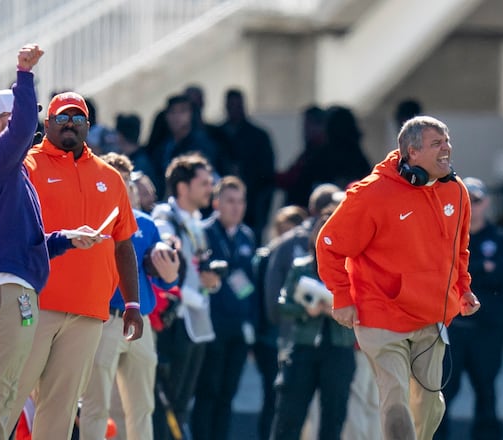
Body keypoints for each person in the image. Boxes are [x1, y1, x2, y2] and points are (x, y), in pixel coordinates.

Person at [315, 116, 481, 440]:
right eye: (437, 143)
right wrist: (343, 297)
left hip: (431, 316)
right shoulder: (371, 194)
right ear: (412, 154)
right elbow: (328, 245)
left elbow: (458, 250)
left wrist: (463, 289)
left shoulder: (457, 192)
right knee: (396, 401)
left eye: (447, 141)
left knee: (430, 403)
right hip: (380, 315)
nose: (447, 148)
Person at [0, 44, 95, 439]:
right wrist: (24, 74)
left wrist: (63, 240)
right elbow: (23, 129)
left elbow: (26, 240)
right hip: (4, 291)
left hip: (15, 290)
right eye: (16, 116)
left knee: (5, 394)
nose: (32, 125)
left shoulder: (11, 171)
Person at [5, 90, 143, 439]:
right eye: (62, 118)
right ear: (47, 124)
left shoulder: (110, 177)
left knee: (61, 411)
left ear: (88, 126)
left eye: (77, 119)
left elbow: (123, 244)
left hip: (87, 314)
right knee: (5, 401)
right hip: (33, 306)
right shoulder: (27, 165)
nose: (70, 125)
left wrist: (131, 304)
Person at [79, 153, 181, 440]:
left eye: (128, 182)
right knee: (96, 405)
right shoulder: (91, 219)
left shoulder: (146, 223)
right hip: (104, 320)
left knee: (142, 407)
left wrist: (170, 264)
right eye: (117, 180)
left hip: (141, 323)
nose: (125, 188)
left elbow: (164, 272)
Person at [435, 177, 503, 440]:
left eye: (477, 201)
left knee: (486, 389)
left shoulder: (500, 238)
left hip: (487, 330)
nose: (472, 206)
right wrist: (484, 267)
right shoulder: (446, 236)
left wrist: (471, 270)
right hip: (454, 329)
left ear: (487, 203)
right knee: (443, 393)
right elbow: (442, 274)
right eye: (466, 201)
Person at [150, 153, 220, 440]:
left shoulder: (195, 221)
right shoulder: (164, 218)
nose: (210, 189)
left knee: (181, 406)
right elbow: (163, 258)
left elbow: (196, 269)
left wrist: (210, 282)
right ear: (183, 187)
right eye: (203, 183)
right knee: (165, 405)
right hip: (174, 325)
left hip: (196, 324)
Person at [271, 209, 357, 440]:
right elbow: (283, 303)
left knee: (333, 418)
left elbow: (364, 312)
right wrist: (305, 310)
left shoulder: (353, 271)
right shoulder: (303, 266)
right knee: (289, 415)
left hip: (339, 349)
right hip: (304, 347)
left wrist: (337, 311)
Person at [191, 175, 259, 440]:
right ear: (216, 203)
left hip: (238, 330)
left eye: (240, 201)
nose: (236, 207)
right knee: (208, 391)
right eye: (230, 201)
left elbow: (249, 286)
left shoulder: (246, 236)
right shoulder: (203, 232)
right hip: (211, 326)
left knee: (228, 394)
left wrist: (251, 325)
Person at [210, 88, 275, 243]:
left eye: (238, 106)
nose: (235, 110)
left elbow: (267, 176)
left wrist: (261, 213)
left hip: (253, 207)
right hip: (220, 209)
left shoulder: (258, 137)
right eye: (231, 106)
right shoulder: (216, 136)